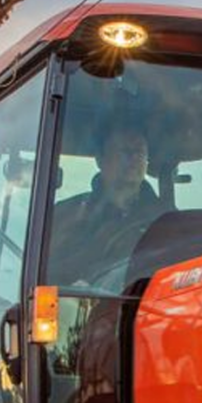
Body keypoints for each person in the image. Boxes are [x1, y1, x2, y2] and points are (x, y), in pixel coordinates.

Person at [47, 124, 166, 290]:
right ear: (100, 159)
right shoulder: (65, 214)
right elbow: (47, 277)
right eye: (124, 151)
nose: (133, 158)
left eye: (139, 152)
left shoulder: (166, 219)